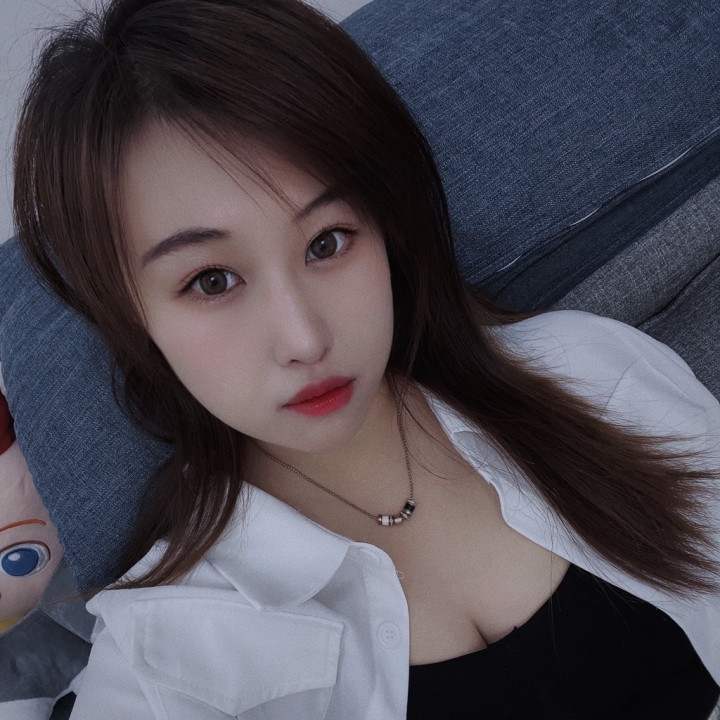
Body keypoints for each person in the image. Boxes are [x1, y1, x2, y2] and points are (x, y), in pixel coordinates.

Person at [12, 0, 720, 717]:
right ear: (131, 315)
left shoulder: (597, 376)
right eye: (212, 281)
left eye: (327, 243)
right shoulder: (165, 663)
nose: (304, 339)